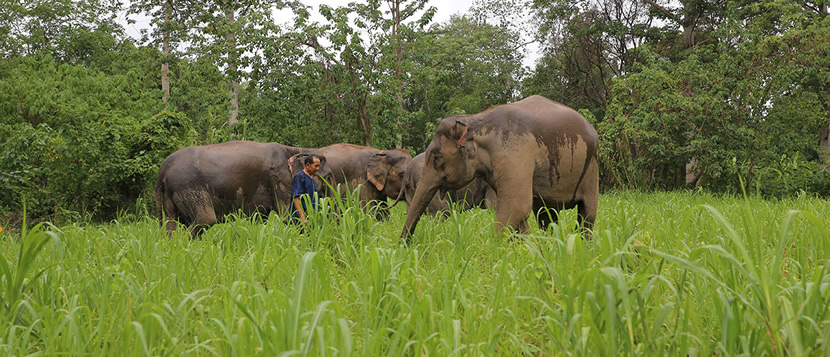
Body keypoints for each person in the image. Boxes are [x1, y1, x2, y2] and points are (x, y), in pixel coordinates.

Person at [290, 155, 321, 225]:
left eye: (319, 166)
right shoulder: (299, 177)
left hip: (310, 217)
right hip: (300, 220)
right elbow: (296, 198)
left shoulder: (311, 179)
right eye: (316, 166)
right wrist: (303, 218)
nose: (318, 168)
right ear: (308, 165)